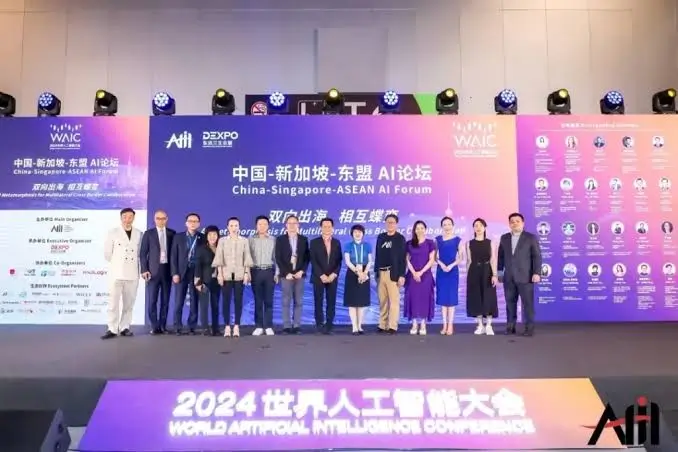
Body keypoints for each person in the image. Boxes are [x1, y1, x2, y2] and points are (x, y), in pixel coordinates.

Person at [497, 213, 542, 337]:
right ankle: (510, 327)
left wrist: (537, 273)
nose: (515, 223)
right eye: (512, 221)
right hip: (509, 277)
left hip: (526, 276)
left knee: (527, 304)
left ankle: (529, 328)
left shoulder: (530, 238)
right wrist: (500, 273)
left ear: (523, 223)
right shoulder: (504, 238)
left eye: (517, 221)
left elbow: (537, 256)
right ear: (509, 224)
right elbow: (500, 257)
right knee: (510, 303)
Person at [102, 208, 143, 339]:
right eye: (125, 217)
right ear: (121, 218)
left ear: (134, 218)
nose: (127, 219)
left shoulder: (139, 233)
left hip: (132, 273)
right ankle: (112, 328)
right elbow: (107, 254)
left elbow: (140, 253)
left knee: (129, 303)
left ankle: (125, 327)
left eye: (130, 217)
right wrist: (117, 263)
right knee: (113, 303)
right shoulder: (113, 232)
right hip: (116, 273)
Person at [212, 217, 252, 338]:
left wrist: (246, 273)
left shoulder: (244, 240)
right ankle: (227, 326)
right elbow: (219, 258)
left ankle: (236, 326)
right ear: (227, 227)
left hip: (240, 275)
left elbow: (247, 258)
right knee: (226, 301)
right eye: (231, 225)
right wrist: (219, 274)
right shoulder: (222, 241)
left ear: (239, 227)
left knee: (238, 301)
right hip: (226, 275)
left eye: (236, 225)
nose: (234, 228)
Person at [139, 209, 175, 335]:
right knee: (152, 301)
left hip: (167, 271)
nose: (161, 221)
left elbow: (175, 253)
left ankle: (163, 326)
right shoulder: (148, 234)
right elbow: (143, 253)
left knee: (165, 301)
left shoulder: (172, 233)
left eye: (163, 218)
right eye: (158, 218)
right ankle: (154, 326)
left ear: (167, 219)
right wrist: (144, 270)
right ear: (154, 220)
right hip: (152, 272)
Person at [275, 215, 310, 334]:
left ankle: (296, 325)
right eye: (289, 223)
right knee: (286, 301)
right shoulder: (280, 240)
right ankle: (286, 325)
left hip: (299, 275)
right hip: (286, 275)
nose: (292, 225)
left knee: (299, 301)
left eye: (294, 223)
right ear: (286, 225)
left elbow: (307, 258)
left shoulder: (304, 239)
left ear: (298, 225)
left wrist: (302, 271)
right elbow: (278, 258)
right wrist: (286, 273)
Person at [170, 213, 204, 335]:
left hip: (196, 272)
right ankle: (177, 326)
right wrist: (174, 273)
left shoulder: (202, 237)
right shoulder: (178, 237)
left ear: (199, 224)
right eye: (190, 221)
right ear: (186, 223)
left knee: (195, 300)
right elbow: (173, 256)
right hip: (181, 272)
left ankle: (192, 326)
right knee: (179, 300)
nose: (193, 223)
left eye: (195, 221)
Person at [465, 218, 498, 335]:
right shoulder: (469, 243)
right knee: (476, 298)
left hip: (487, 271)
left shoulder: (490, 242)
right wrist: (468, 275)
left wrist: (495, 275)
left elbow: (493, 259)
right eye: (476, 226)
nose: (478, 228)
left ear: (485, 227)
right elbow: (469, 260)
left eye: (480, 225)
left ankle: (489, 325)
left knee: (489, 297)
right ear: (473, 228)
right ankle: (480, 325)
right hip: (474, 271)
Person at [375, 214, 407, 334]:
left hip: (393, 273)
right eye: (388, 222)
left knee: (394, 302)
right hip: (381, 273)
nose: (390, 224)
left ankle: (392, 326)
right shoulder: (381, 237)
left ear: (396, 224)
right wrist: (376, 272)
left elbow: (403, 259)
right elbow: (377, 255)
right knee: (382, 301)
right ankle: (382, 324)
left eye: (392, 222)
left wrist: (402, 275)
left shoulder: (400, 238)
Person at [309, 218, 342, 334]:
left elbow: (339, 261)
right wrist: (321, 275)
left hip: (332, 277)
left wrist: (334, 274)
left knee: (331, 301)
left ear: (332, 228)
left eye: (329, 226)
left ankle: (329, 324)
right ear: (321, 228)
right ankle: (319, 324)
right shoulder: (314, 242)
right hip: (318, 277)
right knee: (318, 301)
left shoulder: (336, 242)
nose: (327, 228)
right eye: (324, 226)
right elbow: (313, 260)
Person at [404, 220, 436, 335]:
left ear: (425, 229)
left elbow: (431, 260)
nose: (420, 230)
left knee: (424, 299)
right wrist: (414, 273)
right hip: (412, 275)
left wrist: (421, 272)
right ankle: (414, 324)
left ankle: (423, 324)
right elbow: (406, 260)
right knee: (412, 298)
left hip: (426, 275)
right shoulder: (409, 243)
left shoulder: (430, 243)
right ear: (414, 230)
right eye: (417, 228)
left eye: (422, 228)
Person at [249, 215, 278, 336]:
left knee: (269, 300)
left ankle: (268, 325)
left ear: (268, 226)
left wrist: (277, 273)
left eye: (264, 224)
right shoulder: (251, 239)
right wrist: (247, 273)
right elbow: (248, 257)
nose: (262, 226)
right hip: (255, 271)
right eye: (260, 224)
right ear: (256, 226)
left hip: (269, 271)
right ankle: (259, 326)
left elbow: (276, 257)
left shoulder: (273, 239)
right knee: (258, 300)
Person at [343, 224, 372, 334]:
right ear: (352, 234)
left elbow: (370, 261)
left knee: (361, 301)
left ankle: (360, 326)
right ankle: (354, 327)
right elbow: (347, 261)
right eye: (355, 232)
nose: (357, 234)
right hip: (352, 272)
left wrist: (364, 273)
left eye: (359, 232)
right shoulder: (348, 245)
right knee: (352, 302)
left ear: (363, 234)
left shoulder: (367, 246)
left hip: (364, 273)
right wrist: (358, 272)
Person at [435, 217, 462, 335]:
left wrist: (451, 265)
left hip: (452, 271)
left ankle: (450, 325)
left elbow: (461, 257)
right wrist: (441, 264)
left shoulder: (458, 240)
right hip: (441, 271)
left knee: (451, 299)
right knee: (442, 299)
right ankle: (444, 325)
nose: (447, 226)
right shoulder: (438, 240)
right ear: (442, 226)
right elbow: (435, 256)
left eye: (449, 224)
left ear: (453, 225)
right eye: (444, 224)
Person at [195, 225, 221, 336]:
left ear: (218, 236)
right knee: (204, 305)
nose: (212, 237)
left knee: (215, 305)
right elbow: (197, 266)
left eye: (214, 234)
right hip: (205, 280)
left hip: (218, 280)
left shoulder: (221, 247)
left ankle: (216, 328)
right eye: (210, 234)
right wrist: (198, 282)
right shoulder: (201, 249)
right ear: (206, 236)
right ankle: (205, 328)